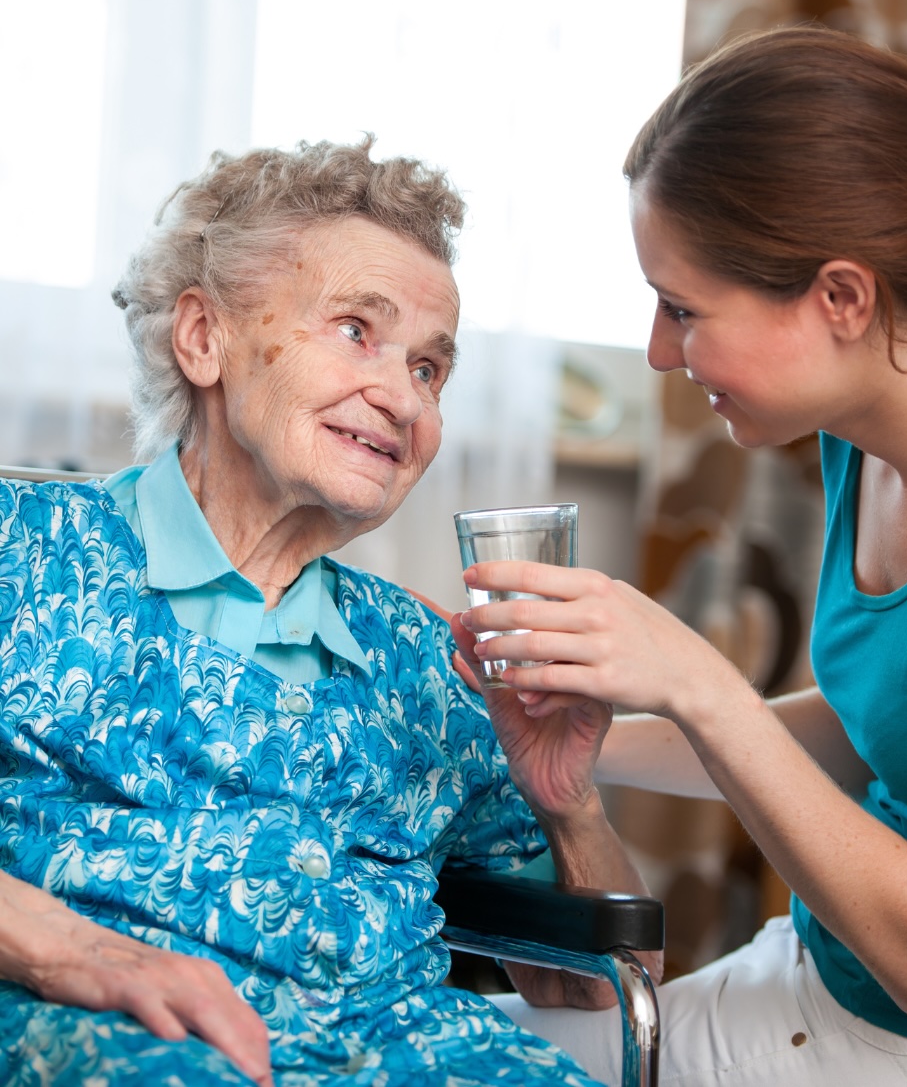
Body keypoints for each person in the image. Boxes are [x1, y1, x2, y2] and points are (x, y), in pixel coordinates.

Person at [459, 27, 907, 1087]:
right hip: (809, 983)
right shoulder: (872, 413)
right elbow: (879, 718)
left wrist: (698, 681)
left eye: (683, 308)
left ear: (839, 297)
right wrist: (576, 743)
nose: (658, 350)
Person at [0, 138, 658, 1087]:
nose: (401, 396)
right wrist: (60, 947)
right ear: (203, 339)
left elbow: (594, 990)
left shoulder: (431, 661)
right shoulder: (26, 551)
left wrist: (568, 806)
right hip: (118, 1042)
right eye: (357, 329)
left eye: (431, 369)